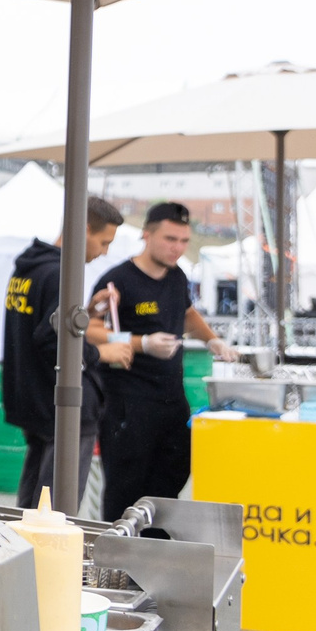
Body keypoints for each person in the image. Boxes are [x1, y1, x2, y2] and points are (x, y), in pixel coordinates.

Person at [92, 201, 238, 516]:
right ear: (147, 235)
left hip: (171, 400)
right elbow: (91, 331)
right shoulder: (118, 280)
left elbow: (186, 314)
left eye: (184, 241)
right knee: (126, 490)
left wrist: (213, 341)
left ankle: (159, 552)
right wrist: (142, 343)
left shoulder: (177, 277)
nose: (177, 248)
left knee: (170, 483)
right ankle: (122, 559)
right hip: (128, 404)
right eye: (170, 239)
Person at [1, 195, 133, 508]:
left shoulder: (29, 268)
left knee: (33, 504)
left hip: (33, 399)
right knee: (56, 511)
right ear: (84, 229)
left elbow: (44, 325)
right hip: (62, 403)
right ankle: (43, 557)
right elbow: (52, 340)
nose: (104, 252)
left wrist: (84, 311)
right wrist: (103, 353)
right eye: (104, 242)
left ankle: (27, 552)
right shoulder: (59, 274)